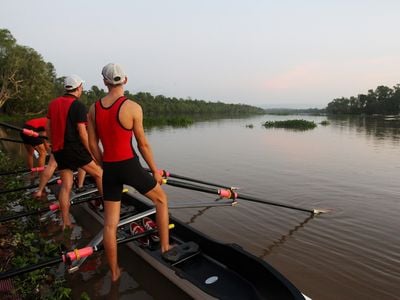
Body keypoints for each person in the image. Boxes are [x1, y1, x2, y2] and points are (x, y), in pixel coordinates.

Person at [87, 63, 171, 282]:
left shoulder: (93, 109)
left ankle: (114, 272)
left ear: (104, 82)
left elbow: (93, 145)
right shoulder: (132, 107)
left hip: (111, 170)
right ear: (125, 80)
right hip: (130, 166)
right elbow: (142, 145)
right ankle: (165, 246)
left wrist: (103, 165)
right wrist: (155, 172)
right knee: (161, 200)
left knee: (109, 224)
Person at [46, 74, 103, 229]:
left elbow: (48, 127)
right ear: (78, 88)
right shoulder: (78, 105)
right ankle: (108, 209)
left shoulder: (54, 103)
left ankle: (66, 222)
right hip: (74, 149)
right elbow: (82, 132)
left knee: (66, 186)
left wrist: (53, 144)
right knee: (99, 174)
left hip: (59, 150)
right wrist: (91, 150)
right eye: (81, 87)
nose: (82, 89)